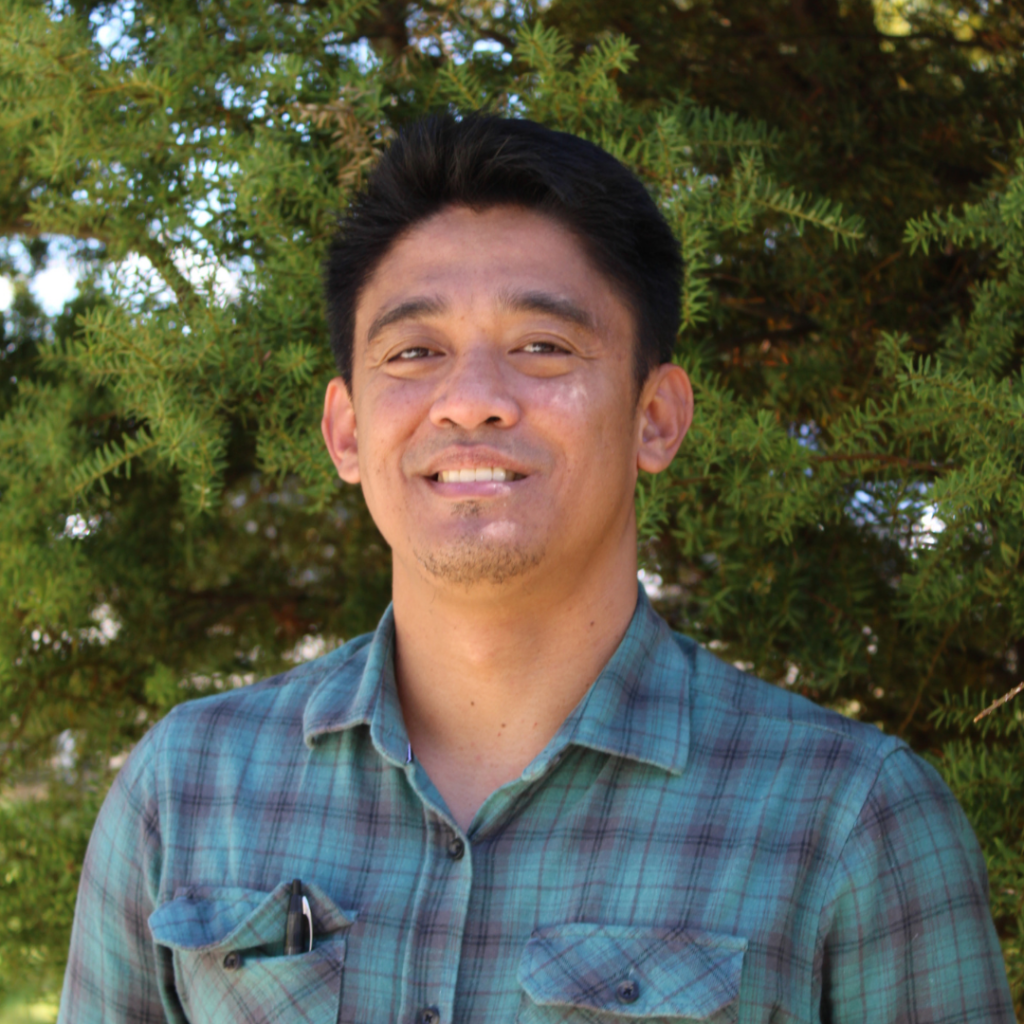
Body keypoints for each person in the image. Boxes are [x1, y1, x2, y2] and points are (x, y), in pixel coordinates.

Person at [58, 114, 1014, 1024]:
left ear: (656, 418)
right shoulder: (186, 790)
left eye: (543, 347)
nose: (471, 400)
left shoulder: (852, 821)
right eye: (415, 351)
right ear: (346, 430)